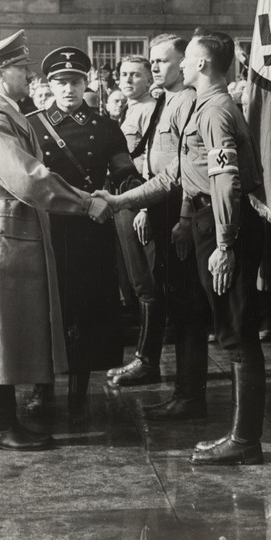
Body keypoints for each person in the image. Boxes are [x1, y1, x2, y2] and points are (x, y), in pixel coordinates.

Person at [0, 30, 112, 450]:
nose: (30, 76)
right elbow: (27, 177)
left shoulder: (5, 111)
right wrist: (85, 203)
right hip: (3, 224)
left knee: (2, 328)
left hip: (9, 224)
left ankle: (2, 420)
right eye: (21, 68)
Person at [98, 32, 267, 465]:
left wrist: (225, 244)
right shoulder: (202, 106)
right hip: (208, 218)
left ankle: (245, 441)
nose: (182, 67)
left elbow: (225, 181)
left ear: (204, 65)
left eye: (188, 60)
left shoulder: (214, 111)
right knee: (231, 329)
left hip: (224, 224)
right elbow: (179, 175)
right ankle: (240, 436)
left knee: (236, 332)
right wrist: (122, 201)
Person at [25, 46, 141, 418]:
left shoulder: (106, 127)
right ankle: (41, 389)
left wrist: (137, 189)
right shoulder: (33, 125)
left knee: (87, 310)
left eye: (75, 81)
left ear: (86, 82)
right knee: (46, 308)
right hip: (49, 226)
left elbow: (123, 169)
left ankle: (78, 391)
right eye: (60, 82)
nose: (68, 89)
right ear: (49, 85)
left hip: (92, 227)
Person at [106, 55, 166, 387]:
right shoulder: (130, 110)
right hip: (125, 201)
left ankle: (147, 361)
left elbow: (151, 165)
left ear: (148, 80)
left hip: (139, 202)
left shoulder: (150, 110)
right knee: (137, 283)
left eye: (136, 75)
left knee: (146, 284)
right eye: (124, 75)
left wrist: (144, 208)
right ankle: (144, 358)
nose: (128, 81)